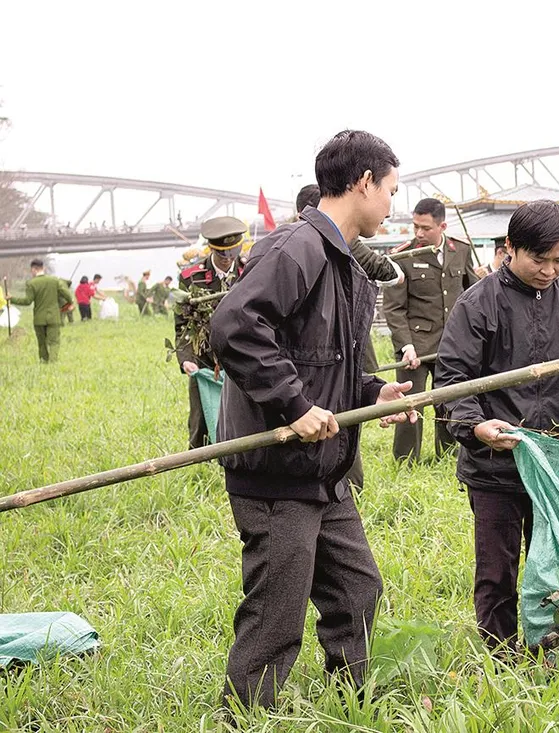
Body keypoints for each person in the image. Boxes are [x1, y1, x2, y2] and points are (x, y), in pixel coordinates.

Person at [209, 129, 418, 711]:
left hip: (327, 471)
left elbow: (332, 358)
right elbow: (234, 327)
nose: (391, 205)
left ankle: (353, 704)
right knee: (277, 611)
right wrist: (295, 407)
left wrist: (374, 391)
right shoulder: (294, 248)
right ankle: (245, 718)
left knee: (357, 590)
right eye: (390, 191)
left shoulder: (347, 264)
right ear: (364, 182)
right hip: (278, 468)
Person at [435, 200, 559, 650]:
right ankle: (501, 658)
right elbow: (453, 380)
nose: (548, 271)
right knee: (497, 571)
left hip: (557, 465)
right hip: (495, 465)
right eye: (538, 260)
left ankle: (554, 648)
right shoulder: (478, 305)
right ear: (510, 248)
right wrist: (475, 427)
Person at [295, 183, 403, 489]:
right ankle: (346, 483)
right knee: (338, 415)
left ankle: (343, 484)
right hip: (333, 351)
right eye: (390, 191)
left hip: (332, 353)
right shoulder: (334, 242)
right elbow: (391, 273)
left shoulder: (297, 241)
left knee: (338, 411)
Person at [382, 197, 479, 463]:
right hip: (415, 345)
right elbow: (393, 307)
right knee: (409, 404)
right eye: (416, 227)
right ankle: (405, 460)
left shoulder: (460, 250)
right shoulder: (403, 255)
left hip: (451, 345)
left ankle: (446, 455)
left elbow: (473, 294)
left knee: (448, 402)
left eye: (425, 228)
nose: (419, 233)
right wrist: (406, 345)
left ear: (442, 226)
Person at [174, 216, 248, 449]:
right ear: (212, 249)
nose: (227, 260)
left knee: (245, 415)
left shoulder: (250, 270)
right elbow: (183, 323)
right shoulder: (191, 277)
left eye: (231, 253)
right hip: (204, 357)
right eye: (221, 254)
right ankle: (198, 467)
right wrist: (186, 360)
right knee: (201, 419)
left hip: (244, 355)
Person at [7, 259, 74, 363]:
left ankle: (44, 362)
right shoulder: (54, 280)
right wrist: (70, 303)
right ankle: (52, 362)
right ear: (43, 268)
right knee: (54, 342)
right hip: (53, 317)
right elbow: (67, 294)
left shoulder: (31, 283)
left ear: (34, 269)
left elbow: (27, 301)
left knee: (42, 343)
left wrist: (12, 298)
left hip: (39, 319)